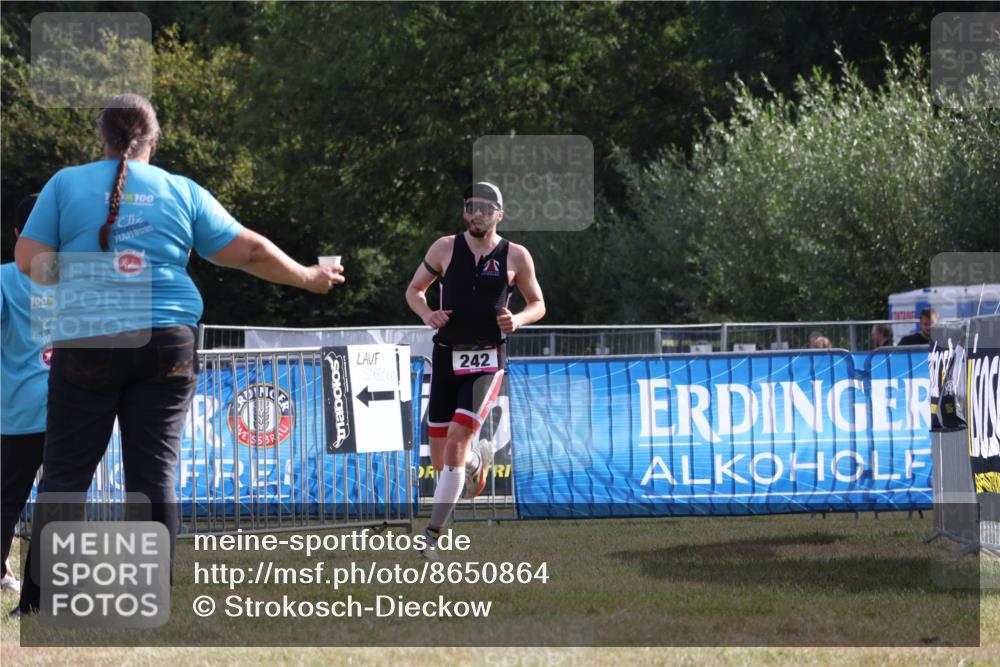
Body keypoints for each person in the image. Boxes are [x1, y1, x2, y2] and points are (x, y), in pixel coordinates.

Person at [11, 93, 344, 615]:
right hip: (169, 339)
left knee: (67, 473)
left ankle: (40, 602)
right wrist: (308, 276)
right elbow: (250, 251)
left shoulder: (64, 184)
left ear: (101, 137)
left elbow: (28, 261)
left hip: (89, 339)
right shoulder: (181, 191)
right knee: (154, 473)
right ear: (154, 138)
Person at [405, 182, 544, 559]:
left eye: (485, 208)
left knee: (455, 440)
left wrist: (518, 319)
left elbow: (538, 304)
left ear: (500, 213)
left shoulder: (516, 256)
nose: (476, 214)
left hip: (487, 359)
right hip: (447, 356)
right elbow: (414, 290)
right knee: (442, 461)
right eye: (470, 206)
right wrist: (427, 313)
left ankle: (431, 536)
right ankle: (476, 462)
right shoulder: (444, 248)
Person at [1, 195, 48, 596]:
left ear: (18, 235)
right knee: (64, 495)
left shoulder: (3, 278)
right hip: (75, 406)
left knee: (8, 496)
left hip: (18, 408)